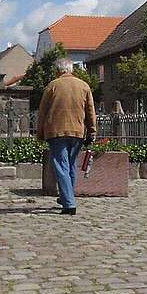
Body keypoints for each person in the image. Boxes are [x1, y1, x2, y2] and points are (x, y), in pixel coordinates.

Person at [37, 57, 97, 215]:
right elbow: (91, 112)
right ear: (72, 70)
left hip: (56, 132)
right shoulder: (84, 86)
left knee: (61, 166)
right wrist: (92, 132)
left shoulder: (52, 86)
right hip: (77, 131)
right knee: (70, 165)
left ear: (58, 71)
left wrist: (40, 133)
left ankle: (69, 203)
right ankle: (66, 197)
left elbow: (42, 112)